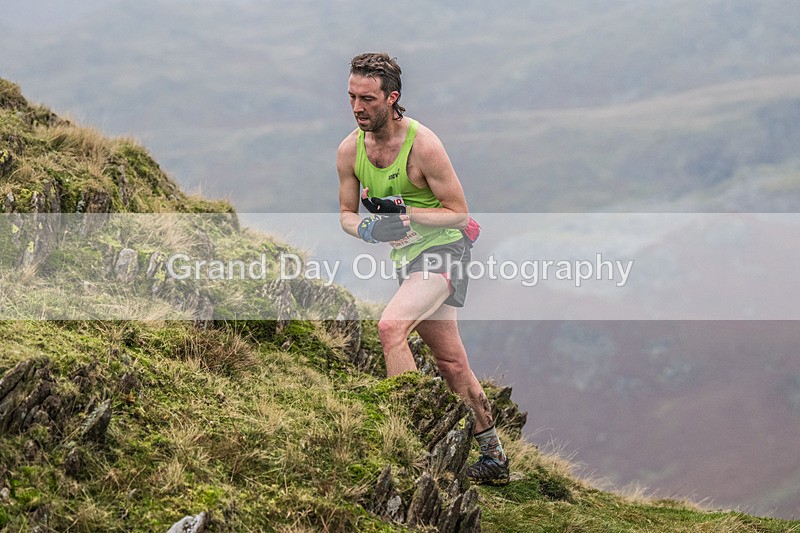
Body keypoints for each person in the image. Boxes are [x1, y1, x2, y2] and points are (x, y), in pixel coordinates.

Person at [336, 52, 509, 485]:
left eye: (369, 99)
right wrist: (371, 231)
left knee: (391, 328)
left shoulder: (423, 146)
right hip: (409, 262)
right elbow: (345, 214)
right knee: (450, 362)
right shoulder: (348, 150)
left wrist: (407, 219)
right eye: (352, 97)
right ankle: (494, 457)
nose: (358, 108)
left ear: (392, 98)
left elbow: (458, 212)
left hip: (446, 249)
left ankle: (411, 445)